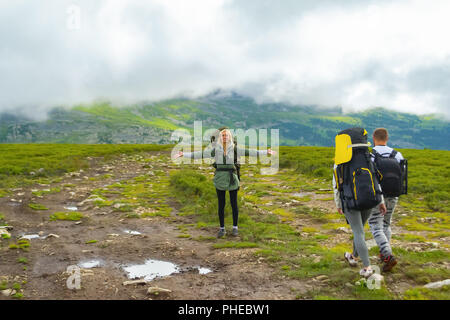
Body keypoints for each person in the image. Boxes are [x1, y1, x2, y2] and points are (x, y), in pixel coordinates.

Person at [175, 128, 276, 238]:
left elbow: (250, 152)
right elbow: (201, 154)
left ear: (230, 137)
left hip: (232, 178)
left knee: (234, 204)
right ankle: (222, 228)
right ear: (220, 137)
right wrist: (183, 154)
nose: (225, 137)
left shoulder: (235, 149)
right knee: (221, 204)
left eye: (226, 135)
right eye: (223, 136)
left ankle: (235, 228)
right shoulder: (216, 149)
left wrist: (266, 152)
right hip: (220, 178)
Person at [333, 128, 387, 278]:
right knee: (360, 231)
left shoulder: (340, 162)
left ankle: (367, 267)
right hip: (370, 200)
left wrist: (338, 204)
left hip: (351, 201)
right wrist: (381, 201)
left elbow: (336, 186)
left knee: (358, 232)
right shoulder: (368, 157)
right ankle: (353, 257)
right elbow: (375, 181)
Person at [367, 128, 404, 272]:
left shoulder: (371, 155)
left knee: (375, 224)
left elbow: (368, 177)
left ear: (374, 138)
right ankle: (384, 253)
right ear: (387, 138)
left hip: (378, 195)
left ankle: (388, 255)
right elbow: (403, 173)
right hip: (394, 194)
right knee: (386, 224)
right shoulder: (397, 154)